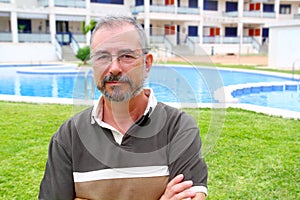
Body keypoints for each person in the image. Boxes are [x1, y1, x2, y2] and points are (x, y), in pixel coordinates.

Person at [39, 15, 208, 200]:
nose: (114, 68)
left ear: (147, 63)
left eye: (126, 56)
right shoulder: (69, 136)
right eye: (102, 56)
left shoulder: (178, 128)